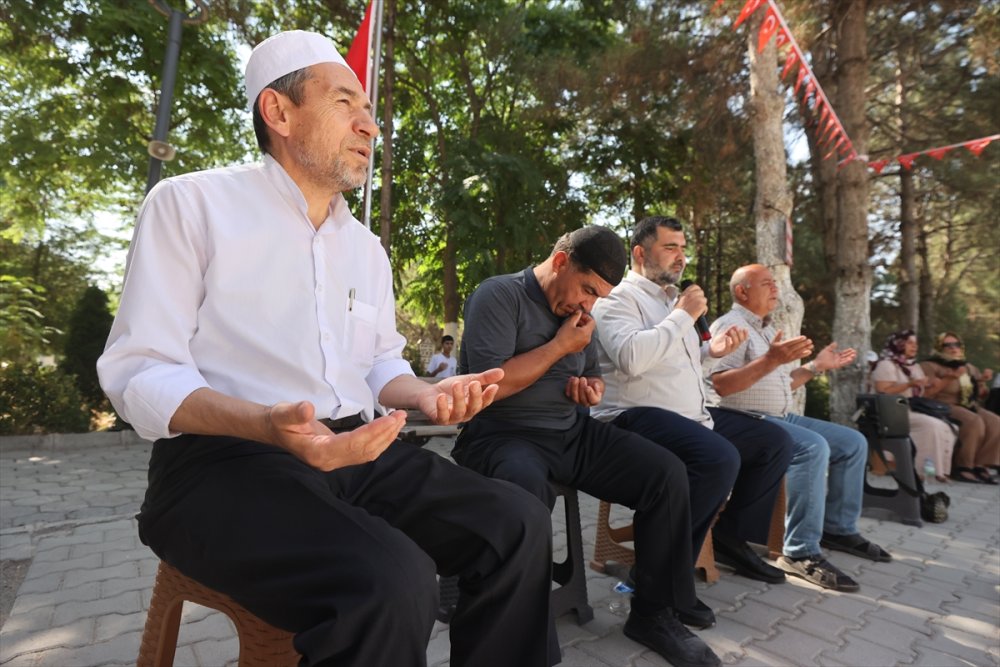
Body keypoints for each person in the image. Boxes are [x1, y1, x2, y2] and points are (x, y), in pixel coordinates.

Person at [97, 30, 557, 667]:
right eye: (346, 103)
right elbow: (139, 370)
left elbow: (376, 364)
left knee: (518, 523)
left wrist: (427, 393)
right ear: (279, 112)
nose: (370, 127)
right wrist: (263, 424)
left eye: (370, 112)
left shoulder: (364, 249)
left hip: (358, 451)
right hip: (223, 467)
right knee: (393, 580)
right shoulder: (192, 204)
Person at [452, 226, 722, 667]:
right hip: (501, 433)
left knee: (666, 473)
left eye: (598, 296)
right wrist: (559, 347)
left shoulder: (581, 314)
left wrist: (589, 389)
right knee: (523, 494)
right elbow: (488, 387)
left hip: (569, 432)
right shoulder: (499, 295)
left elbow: (590, 373)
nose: (587, 305)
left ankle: (654, 613)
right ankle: (523, 638)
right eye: (586, 289)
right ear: (560, 262)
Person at [591, 217, 793, 599]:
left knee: (774, 441)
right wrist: (683, 314)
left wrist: (711, 353)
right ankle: (662, 578)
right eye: (670, 248)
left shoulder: (670, 300)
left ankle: (730, 536)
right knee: (718, 457)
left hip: (687, 418)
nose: (681, 258)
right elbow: (633, 359)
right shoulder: (617, 298)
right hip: (634, 419)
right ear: (639, 253)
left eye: (683, 249)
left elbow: (679, 366)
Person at [709, 264, 892, 593]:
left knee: (852, 442)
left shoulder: (768, 330)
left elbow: (784, 384)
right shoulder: (730, 325)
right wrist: (772, 361)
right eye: (766, 283)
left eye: (775, 283)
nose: (775, 288)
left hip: (780, 416)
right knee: (813, 447)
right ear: (742, 291)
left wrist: (815, 367)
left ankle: (837, 527)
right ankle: (800, 551)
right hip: (746, 420)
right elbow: (718, 385)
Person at [868, 331, 956, 483]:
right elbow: (883, 391)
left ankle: (938, 471)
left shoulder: (912, 366)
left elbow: (920, 394)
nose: (914, 346)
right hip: (890, 412)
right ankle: (922, 471)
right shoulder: (886, 364)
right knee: (931, 425)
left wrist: (928, 385)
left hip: (908, 409)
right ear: (898, 344)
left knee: (948, 426)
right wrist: (910, 384)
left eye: (916, 343)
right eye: (909, 343)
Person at [920, 332, 999, 483]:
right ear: (939, 347)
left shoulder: (968, 367)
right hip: (943, 404)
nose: (953, 348)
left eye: (956, 344)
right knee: (974, 421)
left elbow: (981, 394)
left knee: (996, 422)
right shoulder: (930, 365)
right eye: (947, 345)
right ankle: (963, 466)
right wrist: (950, 377)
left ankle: (981, 465)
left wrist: (983, 382)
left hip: (970, 405)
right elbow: (926, 394)